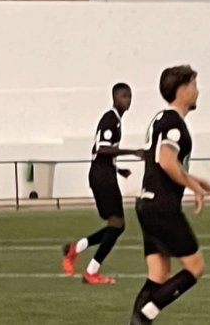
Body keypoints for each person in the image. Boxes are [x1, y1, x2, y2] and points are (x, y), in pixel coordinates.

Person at [129, 65, 210, 325]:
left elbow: (161, 162)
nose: (197, 91)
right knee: (195, 267)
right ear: (182, 89)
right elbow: (166, 161)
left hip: (146, 203)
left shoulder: (160, 119)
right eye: (194, 85)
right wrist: (193, 187)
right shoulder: (173, 123)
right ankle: (145, 315)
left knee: (158, 274)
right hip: (162, 207)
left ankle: (137, 323)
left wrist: (193, 180)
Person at [62, 82, 146, 285]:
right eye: (124, 96)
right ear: (115, 98)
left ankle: (76, 249)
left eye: (129, 96)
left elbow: (98, 151)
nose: (128, 100)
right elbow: (101, 149)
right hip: (102, 177)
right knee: (117, 224)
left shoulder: (115, 121)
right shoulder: (110, 120)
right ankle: (91, 271)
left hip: (104, 173)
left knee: (116, 225)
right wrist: (133, 152)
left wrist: (118, 169)